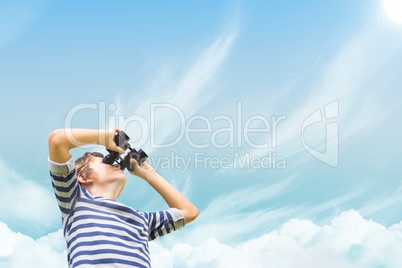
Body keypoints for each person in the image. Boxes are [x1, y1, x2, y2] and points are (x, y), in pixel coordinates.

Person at [48, 128, 199, 267]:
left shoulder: (141, 219)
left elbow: (189, 211)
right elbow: (57, 140)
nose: (116, 165)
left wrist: (149, 174)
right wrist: (103, 137)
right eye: (106, 162)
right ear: (81, 176)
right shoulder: (75, 200)